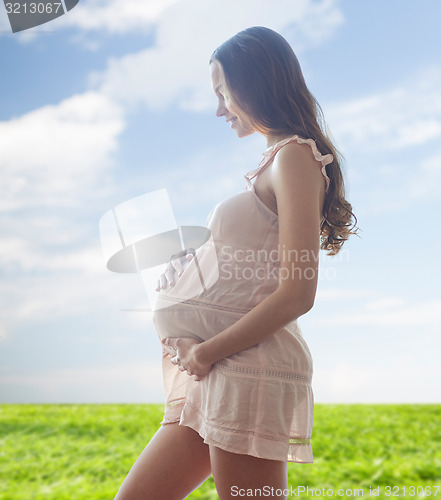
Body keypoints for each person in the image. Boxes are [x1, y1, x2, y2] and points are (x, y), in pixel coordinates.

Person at [114, 26, 358, 500]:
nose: (219, 109)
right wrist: (196, 268)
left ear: (255, 83)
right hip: (223, 370)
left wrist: (204, 352)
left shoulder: (295, 159)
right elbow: (254, 265)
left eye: (223, 92)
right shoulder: (275, 163)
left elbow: (297, 293)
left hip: (245, 368)